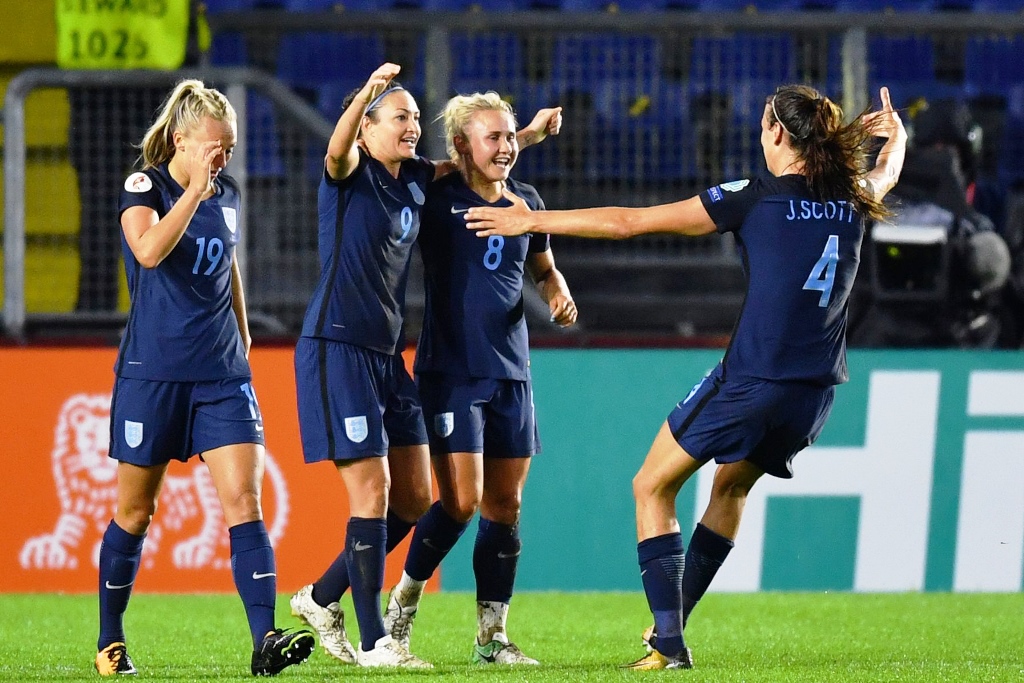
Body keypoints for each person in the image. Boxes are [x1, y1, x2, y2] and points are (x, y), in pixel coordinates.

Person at [467, 85, 907, 670]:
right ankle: (665, 635)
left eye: (762, 121)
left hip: (752, 379)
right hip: (817, 391)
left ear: (776, 132)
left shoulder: (754, 196)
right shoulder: (853, 196)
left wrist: (531, 220)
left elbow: (629, 222)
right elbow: (884, 174)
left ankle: (669, 642)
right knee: (731, 487)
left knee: (651, 486)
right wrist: (895, 138)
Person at [287, 64, 561, 668]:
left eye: (415, 116)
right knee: (382, 492)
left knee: (413, 499)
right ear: (366, 128)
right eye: (400, 117)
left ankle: (320, 599)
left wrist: (528, 136)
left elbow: (474, 159)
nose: (413, 126)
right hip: (341, 346)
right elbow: (336, 149)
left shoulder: (417, 179)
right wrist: (363, 93)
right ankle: (376, 639)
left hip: (390, 356)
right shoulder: (348, 173)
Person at [97, 79, 314, 677]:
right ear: (181, 141)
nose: (224, 159)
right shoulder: (146, 186)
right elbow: (146, 251)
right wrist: (191, 194)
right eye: (215, 147)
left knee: (245, 502)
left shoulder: (230, 193)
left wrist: (242, 329)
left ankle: (264, 640)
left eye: (230, 147)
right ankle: (110, 640)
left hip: (221, 373)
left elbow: (229, 264)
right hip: (154, 374)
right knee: (135, 513)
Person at [378, 92, 576, 666]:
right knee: (460, 500)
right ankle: (402, 606)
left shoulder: (528, 201)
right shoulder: (438, 198)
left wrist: (557, 292)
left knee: (505, 506)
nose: (508, 146)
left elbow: (542, 265)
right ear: (462, 145)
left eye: (512, 136)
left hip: (513, 370)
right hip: (453, 371)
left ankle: (492, 639)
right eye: (494, 137)